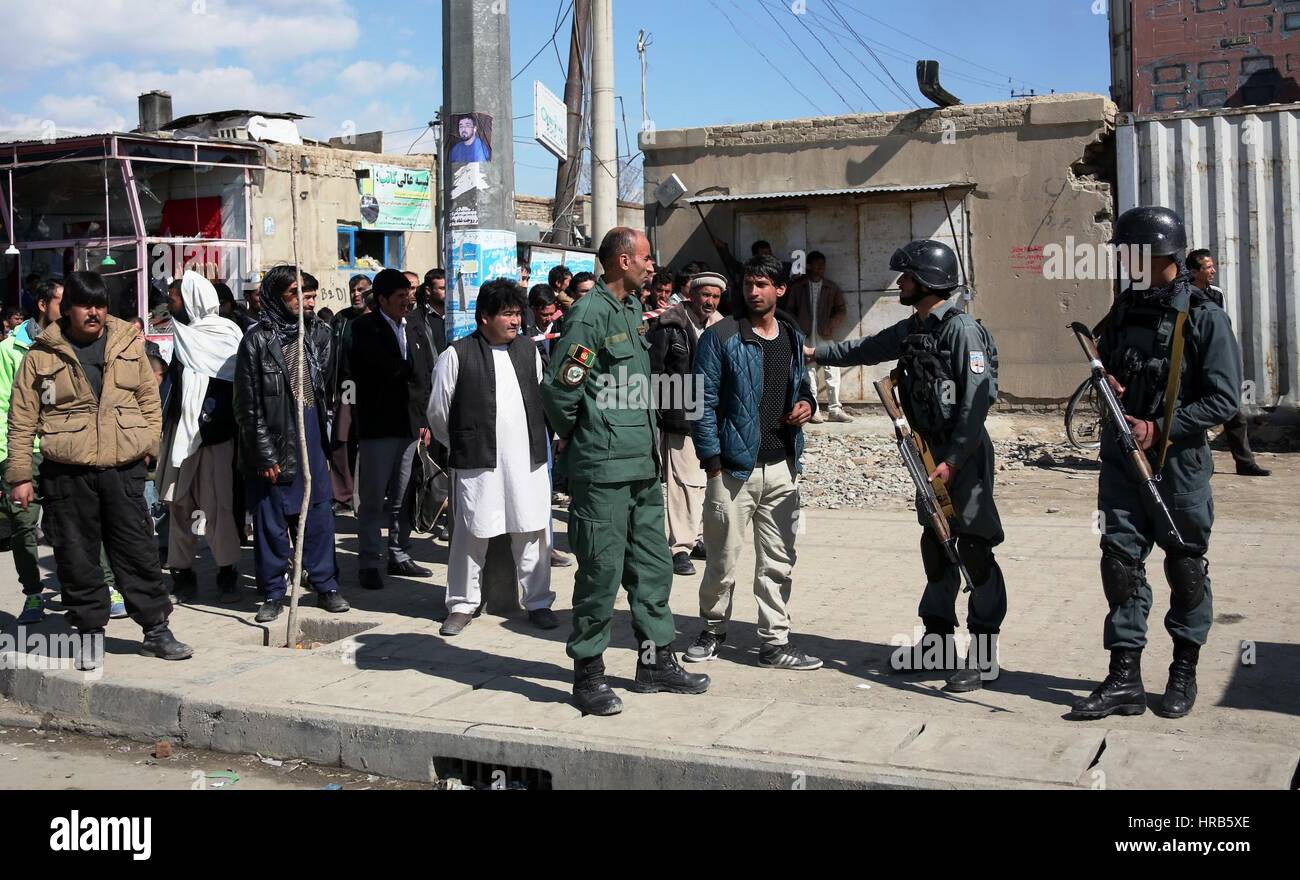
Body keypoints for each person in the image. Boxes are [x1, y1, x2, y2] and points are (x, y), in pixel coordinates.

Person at [809, 239, 1006, 692]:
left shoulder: (961, 332)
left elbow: (978, 403)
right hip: (926, 455)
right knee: (937, 547)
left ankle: (983, 657)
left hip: (963, 457)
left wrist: (954, 460)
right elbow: (866, 349)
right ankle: (937, 647)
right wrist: (815, 354)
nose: (900, 282)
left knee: (972, 549)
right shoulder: (915, 328)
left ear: (928, 281)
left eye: (907, 276)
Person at [1070, 208, 1242, 721]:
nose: (1124, 262)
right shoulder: (1125, 309)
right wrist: (1112, 386)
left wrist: (1160, 428)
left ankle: (1182, 671)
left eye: (1132, 253)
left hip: (1179, 466)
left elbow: (1225, 399)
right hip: (1123, 462)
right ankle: (1124, 679)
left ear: (1160, 255)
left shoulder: (1204, 316)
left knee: (1185, 566)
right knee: (1120, 565)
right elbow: (1112, 369)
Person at [541, 227, 710, 716]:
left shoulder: (633, 310)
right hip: (603, 468)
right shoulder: (588, 314)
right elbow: (559, 390)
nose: (652, 266)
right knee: (600, 571)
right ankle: (588, 673)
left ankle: (655, 661)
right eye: (645, 258)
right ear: (619, 261)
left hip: (641, 464)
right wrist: (579, 435)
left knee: (652, 569)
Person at [5, 271, 192, 668]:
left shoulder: (127, 342)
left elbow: (149, 397)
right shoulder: (41, 354)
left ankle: (156, 630)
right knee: (76, 555)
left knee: (137, 550)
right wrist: (20, 475)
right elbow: (22, 419)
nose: (94, 313)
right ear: (67, 308)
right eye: (85, 305)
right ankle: (90, 633)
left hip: (123, 468)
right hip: (66, 472)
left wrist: (147, 444)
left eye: (101, 305)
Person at [683, 256, 820, 670]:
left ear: (779, 290)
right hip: (732, 470)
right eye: (748, 284)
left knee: (778, 562)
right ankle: (712, 629)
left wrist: (807, 405)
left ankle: (775, 643)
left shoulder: (791, 336)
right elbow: (700, 402)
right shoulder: (721, 337)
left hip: (782, 466)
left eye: (762, 284)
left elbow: (802, 385)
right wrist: (712, 461)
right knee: (722, 561)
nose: (753, 291)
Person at [428, 280, 558, 635]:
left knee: (531, 529)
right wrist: (460, 444)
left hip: (526, 459)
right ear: (484, 317)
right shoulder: (456, 355)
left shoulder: (528, 351)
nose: (516, 321)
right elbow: (439, 412)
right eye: (507, 314)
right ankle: (461, 604)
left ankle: (538, 601)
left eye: (518, 314)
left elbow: (541, 397)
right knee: (472, 532)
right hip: (476, 461)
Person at [0, 278, 127, 623]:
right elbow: (5, 408)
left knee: (86, 521)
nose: (72, 307)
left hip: (68, 449)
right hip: (26, 452)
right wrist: (12, 463)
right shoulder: (11, 350)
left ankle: (106, 585)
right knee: (24, 527)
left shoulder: (75, 346)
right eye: (63, 301)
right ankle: (32, 595)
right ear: (44, 305)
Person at [234, 266, 350, 621]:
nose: (307, 301)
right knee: (271, 518)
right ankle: (272, 591)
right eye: (297, 294)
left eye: (311, 294)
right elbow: (247, 405)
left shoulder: (319, 335)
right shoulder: (257, 340)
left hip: (311, 434)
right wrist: (264, 452)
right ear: (275, 297)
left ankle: (325, 584)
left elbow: (326, 385)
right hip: (274, 439)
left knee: (317, 513)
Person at [157, 272, 244, 605]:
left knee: (218, 506)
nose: (170, 303)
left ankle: (226, 571)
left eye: (174, 297)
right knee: (179, 504)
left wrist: (208, 418)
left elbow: (233, 388)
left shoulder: (227, 334)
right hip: (181, 436)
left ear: (191, 298)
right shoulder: (183, 337)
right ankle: (181, 572)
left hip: (216, 436)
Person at [349, 269, 435, 590]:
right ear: (381, 299)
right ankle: (369, 560)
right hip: (378, 427)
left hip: (411, 426)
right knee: (372, 500)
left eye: (408, 295)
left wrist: (425, 420)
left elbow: (425, 374)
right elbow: (378, 370)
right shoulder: (363, 328)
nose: (407, 301)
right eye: (400, 297)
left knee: (403, 495)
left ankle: (398, 553)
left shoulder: (415, 326)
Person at [648, 271, 724, 576]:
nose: (710, 301)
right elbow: (654, 372)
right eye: (705, 295)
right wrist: (663, 411)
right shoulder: (670, 325)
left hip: (713, 416)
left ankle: (700, 537)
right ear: (691, 295)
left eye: (715, 297)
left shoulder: (723, 328)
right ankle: (680, 547)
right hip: (680, 417)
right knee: (683, 483)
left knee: (709, 480)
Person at [1184, 248, 1268, 477]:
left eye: (1212, 266)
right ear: (1193, 272)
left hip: (1211, 360)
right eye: (1208, 267)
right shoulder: (1182, 293)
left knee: (1233, 411)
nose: (1212, 271)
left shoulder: (1216, 294)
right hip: (1190, 362)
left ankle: (1245, 462)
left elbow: (1218, 329)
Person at [785, 251, 852, 423]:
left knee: (833, 370)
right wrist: (796, 328)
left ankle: (835, 409)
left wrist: (831, 324)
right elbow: (789, 310)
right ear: (809, 266)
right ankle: (813, 409)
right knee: (809, 372)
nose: (821, 267)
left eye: (823, 264)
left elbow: (841, 310)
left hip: (825, 334)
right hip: (804, 335)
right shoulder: (798, 287)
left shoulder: (831, 287)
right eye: (817, 264)